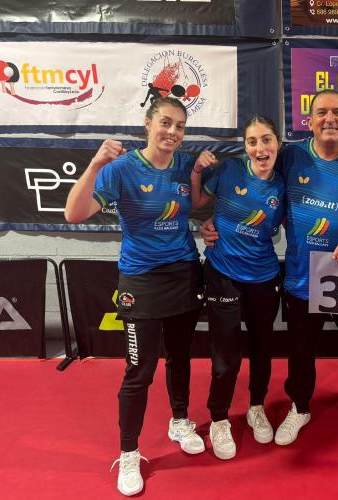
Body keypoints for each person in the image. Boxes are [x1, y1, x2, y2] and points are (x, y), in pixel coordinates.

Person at [202, 90, 338, 445]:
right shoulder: (289, 156)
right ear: (309, 121)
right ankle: (300, 406)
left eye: (337, 112)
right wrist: (217, 221)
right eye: (321, 112)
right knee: (301, 349)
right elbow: (252, 184)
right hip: (303, 275)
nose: (329, 119)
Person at [65, 97, 207, 497]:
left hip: (184, 273)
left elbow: (199, 204)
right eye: (165, 123)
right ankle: (129, 453)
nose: (172, 132)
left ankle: (179, 421)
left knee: (180, 357)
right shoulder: (121, 169)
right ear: (148, 123)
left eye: (180, 126)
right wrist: (95, 165)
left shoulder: (185, 165)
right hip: (141, 280)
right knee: (139, 371)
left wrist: (210, 212)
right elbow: (74, 214)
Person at [189, 115, 285, 459]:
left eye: (266, 140)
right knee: (226, 354)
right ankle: (219, 418)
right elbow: (197, 203)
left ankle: (256, 406)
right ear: (245, 147)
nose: (260, 148)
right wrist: (196, 172)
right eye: (252, 142)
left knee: (262, 348)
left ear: (278, 144)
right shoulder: (229, 170)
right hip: (223, 272)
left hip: (264, 276)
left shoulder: (283, 184)